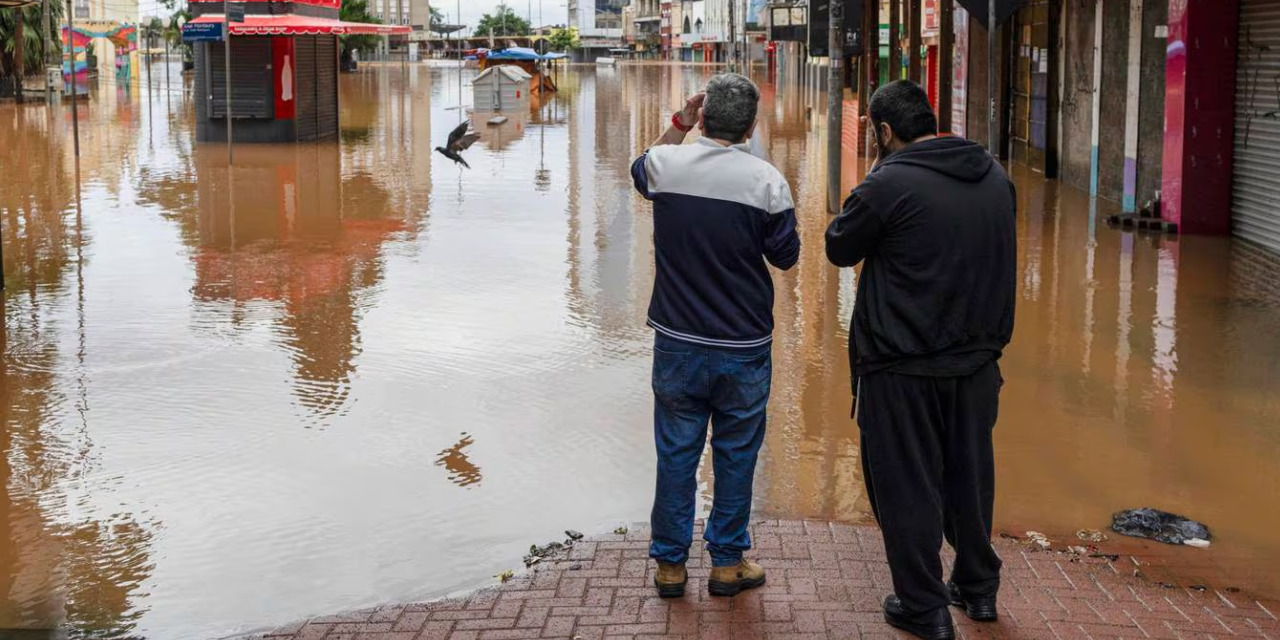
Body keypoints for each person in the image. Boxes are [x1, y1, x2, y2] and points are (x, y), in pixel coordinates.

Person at [824, 80, 1017, 640]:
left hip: (902, 366)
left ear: (884, 132)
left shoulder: (888, 184)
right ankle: (978, 590)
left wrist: (871, 179)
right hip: (979, 363)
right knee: (969, 478)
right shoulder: (995, 175)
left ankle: (923, 607)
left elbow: (840, 247)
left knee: (906, 487)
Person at [629, 73, 800, 599]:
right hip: (743, 346)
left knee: (677, 451)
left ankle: (670, 566)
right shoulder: (767, 182)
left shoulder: (667, 165)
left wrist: (678, 123)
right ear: (751, 126)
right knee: (736, 452)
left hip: (677, 341)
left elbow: (640, 171)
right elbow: (786, 257)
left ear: (701, 117)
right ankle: (727, 563)